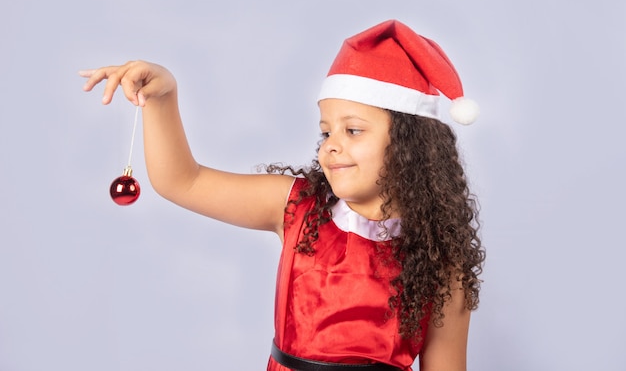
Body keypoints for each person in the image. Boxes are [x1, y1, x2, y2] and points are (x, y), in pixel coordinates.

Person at [80, 20, 485, 371]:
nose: (330, 146)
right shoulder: (297, 208)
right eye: (326, 131)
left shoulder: (440, 260)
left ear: (410, 144)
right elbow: (182, 181)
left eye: (353, 130)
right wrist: (163, 99)